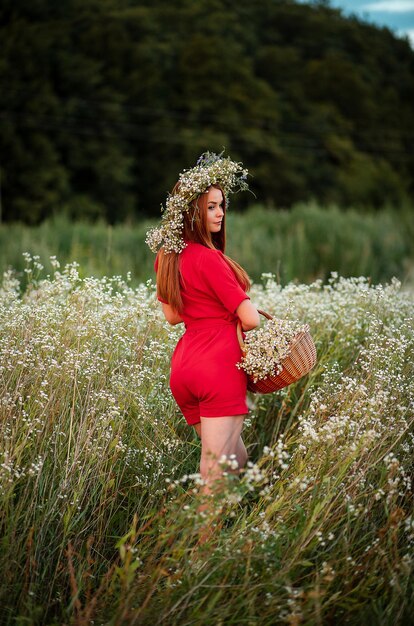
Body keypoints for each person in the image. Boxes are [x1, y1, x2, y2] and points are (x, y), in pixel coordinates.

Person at [146, 151, 260, 520]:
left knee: (237, 459)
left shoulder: (166, 257)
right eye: (211, 207)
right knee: (213, 475)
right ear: (193, 209)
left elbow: (172, 316)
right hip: (218, 368)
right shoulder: (210, 259)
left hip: (185, 368)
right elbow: (251, 318)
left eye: (222, 206)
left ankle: (238, 527)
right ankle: (199, 557)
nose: (220, 213)